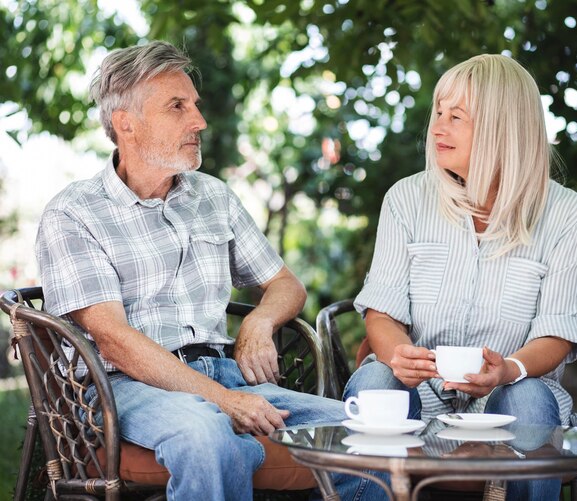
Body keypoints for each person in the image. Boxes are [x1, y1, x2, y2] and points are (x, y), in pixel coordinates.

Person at [35, 41, 382, 501]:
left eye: (194, 106)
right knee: (206, 434)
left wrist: (259, 322)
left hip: (222, 372)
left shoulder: (213, 197)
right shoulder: (74, 213)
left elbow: (284, 284)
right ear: (126, 124)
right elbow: (113, 339)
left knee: (365, 433)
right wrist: (223, 402)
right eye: (177, 106)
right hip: (122, 389)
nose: (198, 121)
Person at [343, 54, 577, 500]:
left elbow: (558, 332)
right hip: (419, 398)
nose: (438, 128)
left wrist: (508, 370)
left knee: (530, 397)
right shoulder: (406, 199)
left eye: (456, 117)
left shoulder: (568, 214)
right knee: (374, 381)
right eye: (438, 113)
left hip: (510, 405)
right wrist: (399, 356)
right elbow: (381, 314)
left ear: (504, 129)